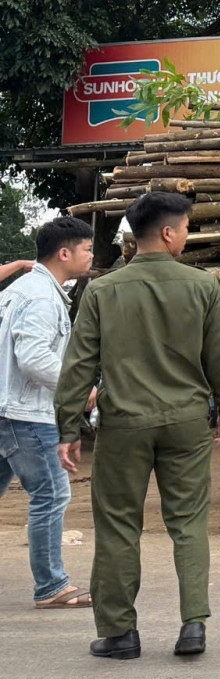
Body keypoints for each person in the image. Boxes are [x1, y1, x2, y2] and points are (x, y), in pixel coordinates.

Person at [55, 191, 220, 660]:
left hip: (124, 424)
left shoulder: (101, 290)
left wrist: (68, 428)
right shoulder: (203, 286)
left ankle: (120, 634)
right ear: (167, 232)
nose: (187, 236)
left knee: (118, 526)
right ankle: (193, 624)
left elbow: (79, 365)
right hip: (186, 422)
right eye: (186, 228)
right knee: (189, 523)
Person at [0, 216, 97, 610]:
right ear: (64, 253)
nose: (92, 255)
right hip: (25, 412)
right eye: (87, 249)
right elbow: (35, 358)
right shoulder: (40, 296)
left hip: (7, 405)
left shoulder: (20, 290)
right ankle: (52, 585)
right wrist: (78, 389)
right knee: (51, 495)